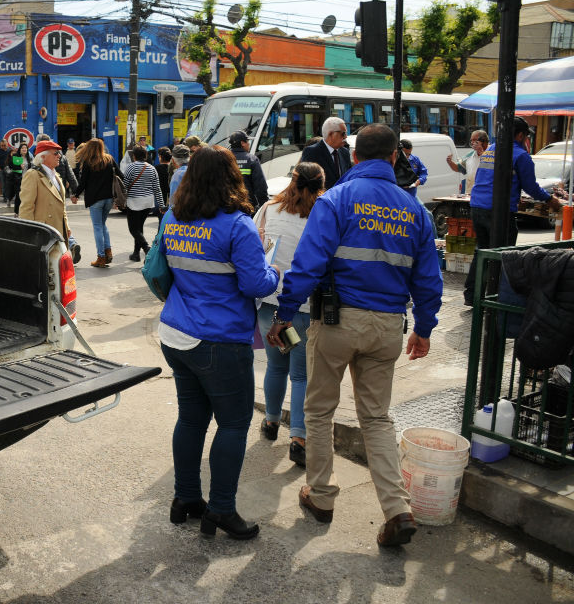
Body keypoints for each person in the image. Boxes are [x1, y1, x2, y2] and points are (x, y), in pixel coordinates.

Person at [265, 123, 442, 547]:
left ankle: (321, 495)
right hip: (387, 329)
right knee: (377, 419)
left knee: (321, 410)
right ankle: (397, 508)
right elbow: (429, 280)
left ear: (354, 156)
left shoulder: (336, 200)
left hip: (337, 323)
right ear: (395, 158)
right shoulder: (415, 210)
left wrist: (285, 314)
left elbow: (307, 265)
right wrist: (424, 328)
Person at [159, 144, 280, 541]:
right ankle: (222, 510)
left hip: (175, 334)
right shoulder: (237, 225)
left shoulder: (173, 217)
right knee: (232, 424)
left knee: (191, 419)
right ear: (233, 177)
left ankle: (186, 500)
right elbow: (255, 284)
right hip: (219, 341)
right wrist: (274, 270)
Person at [254, 162, 326, 468]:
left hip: (269, 304)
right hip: (304, 308)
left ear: (291, 181)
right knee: (301, 375)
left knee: (275, 366)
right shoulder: (323, 214)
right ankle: (298, 438)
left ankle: (270, 423)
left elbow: (255, 247)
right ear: (321, 184)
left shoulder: (269, 210)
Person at [464, 117, 562, 306]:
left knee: (482, 251)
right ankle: (500, 297)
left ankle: (472, 295)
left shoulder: (491, 149)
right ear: (519, 135)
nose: (527, 139)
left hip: (478, 206)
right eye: (525, 136)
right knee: (505, 254)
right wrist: (551, 200)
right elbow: (531, 187)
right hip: (498, 211)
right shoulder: (520, 155)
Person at [73, 138, 123, 268]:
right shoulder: (109, 159)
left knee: (97, 227)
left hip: (95, 199)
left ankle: (101, 257)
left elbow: (83, 183)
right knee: (102, 225)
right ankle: (108, 252)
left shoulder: (88, 162)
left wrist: (76, 195)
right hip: (109, 198)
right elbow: (121, 175)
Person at [18, 141, 71, 243]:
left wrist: (66, 226)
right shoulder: (33, 175)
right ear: (43, 157)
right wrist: (29, 234)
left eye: (59, 153)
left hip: (59, 231)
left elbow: (61, 205)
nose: (59, 156)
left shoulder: (56, 176)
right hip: (44, 234)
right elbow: (26, 208)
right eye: (55, 153)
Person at [123, 145, 166, 262]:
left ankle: (146, 248)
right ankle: (136, 254)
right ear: (146, 156)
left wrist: (119, 200)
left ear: (134, 156)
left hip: (134, 202)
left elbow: (124, 185)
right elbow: (157, 189)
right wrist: (162, 205)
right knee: (139, 227)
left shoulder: (130, 167)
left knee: (133, 229)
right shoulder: (152, 168)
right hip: (148, 203)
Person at [300, 117, 351, 189]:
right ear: (330, 134)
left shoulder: (344, 152)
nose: (345, 137)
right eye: (343, 134)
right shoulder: (312, 152)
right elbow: (306, 182)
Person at [229, 131, 269, 209]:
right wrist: (263, 205)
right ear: (242, 143)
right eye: (247, 141)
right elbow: (260, 186)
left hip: (227, 206)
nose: (249, 144)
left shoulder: (223, 158)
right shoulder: (251, 159)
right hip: (247, 206)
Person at [446, 129, 488, 193]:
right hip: (470, 194)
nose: (472, 142)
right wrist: (450, 162)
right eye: (471, 140)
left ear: (484, 141)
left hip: (486, 194)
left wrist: (482, 153)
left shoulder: (492, 153)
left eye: (475, 140)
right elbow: (458, 168)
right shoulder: (470, 155)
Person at [7, 143, 33, 215]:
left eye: (25, 148)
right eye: (22, 148)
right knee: (19, 196)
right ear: (20, 150)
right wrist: (19, 166)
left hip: (27, 179)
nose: (24, 149)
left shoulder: (29, 157)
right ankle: (16, 212)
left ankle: (24, 211)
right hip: (17, 179)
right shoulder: (15, 156)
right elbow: (10, 165)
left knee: (25, 196)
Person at [0, 138, 11, 204]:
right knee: (3, 184)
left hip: (9, 169)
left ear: (7, 144)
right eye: (1, 145)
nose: (3, 147)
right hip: (1, 169)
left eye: (4, 145)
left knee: (9, 183)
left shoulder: (10, 150)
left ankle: (9, 197)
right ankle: (5, 197)